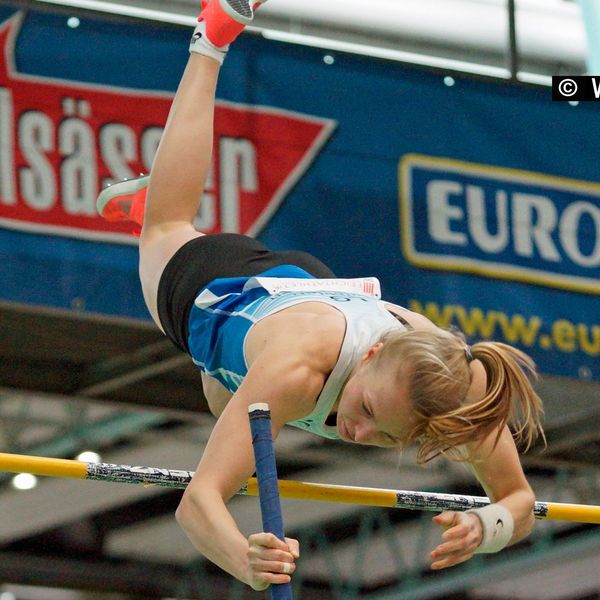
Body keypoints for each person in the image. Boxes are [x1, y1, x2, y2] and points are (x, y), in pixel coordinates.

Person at [97, 0, 545, 591]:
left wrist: (485, 525)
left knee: (217, 394)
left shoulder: (453, 389)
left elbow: (518, 500)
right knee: (166, 227)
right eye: (366, 413)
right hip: (222, 290)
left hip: (310, 288)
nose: (358, 434)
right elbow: (198, 501)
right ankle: (211, 37)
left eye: (389, 436)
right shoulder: (297, 372)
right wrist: (244, 560)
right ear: (367, 358)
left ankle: (159, 211)